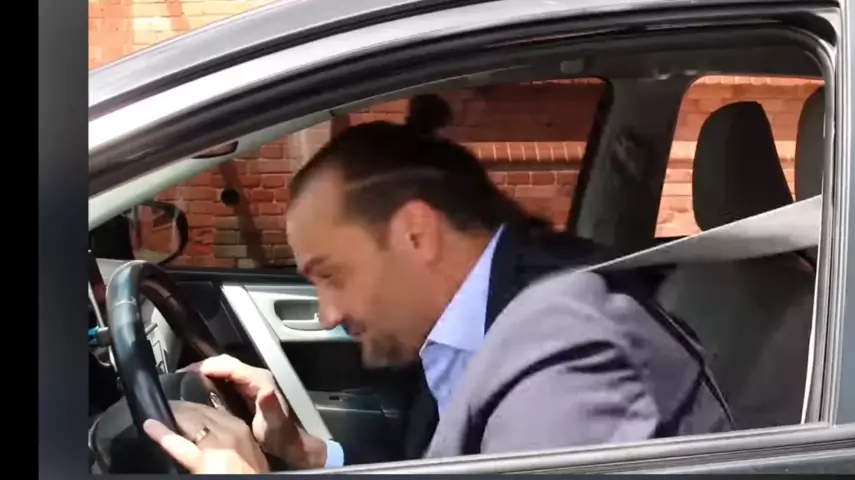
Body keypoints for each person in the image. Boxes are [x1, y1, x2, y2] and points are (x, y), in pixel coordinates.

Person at [143, 94, 733, 474]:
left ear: (416, 234)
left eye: (331, 274)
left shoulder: (571, 348)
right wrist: (310, 454)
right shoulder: (466, 327)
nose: (327, 314)